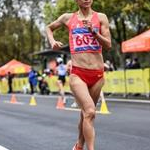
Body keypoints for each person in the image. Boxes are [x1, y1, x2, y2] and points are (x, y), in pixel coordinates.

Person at [46, 0, 111, 149]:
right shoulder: (68, 18)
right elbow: (49, 28)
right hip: (78, 74)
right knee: (89, 111)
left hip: (97, 75)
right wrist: (52, 41)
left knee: (86, 114)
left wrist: (94, 32)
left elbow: (108, 45)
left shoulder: (101, 18)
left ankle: (79, 146)